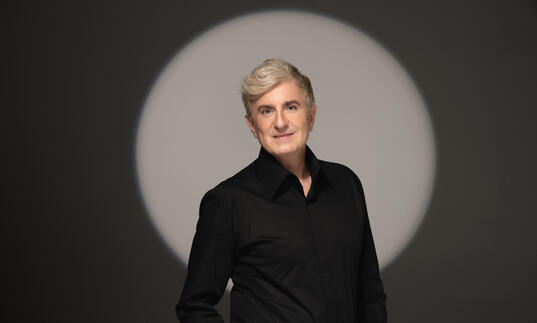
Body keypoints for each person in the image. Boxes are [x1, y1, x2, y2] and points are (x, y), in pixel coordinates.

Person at [175, 58, 387, 322]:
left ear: (311, 116)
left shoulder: (346, 184)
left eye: (291, 107)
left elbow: (370, 293)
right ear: (252, 125)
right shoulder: (228, 202)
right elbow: (194, 306)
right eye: (266, 111)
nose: (280, 122)